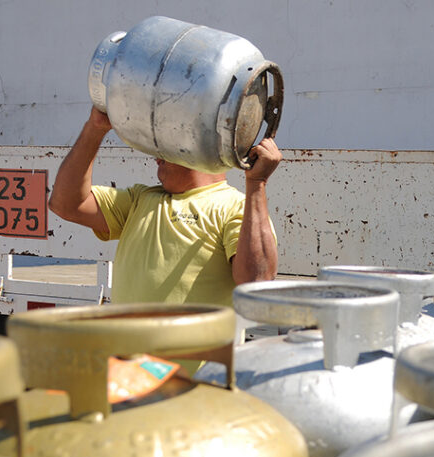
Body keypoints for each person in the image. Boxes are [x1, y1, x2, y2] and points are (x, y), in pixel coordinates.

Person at [48, 107, 281, 307]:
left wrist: (256, 183)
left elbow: (256, 283)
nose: (156, 156)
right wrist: (95, 128)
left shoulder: (236, 207)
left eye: (167, 146)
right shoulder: (139, 200)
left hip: (200, 361)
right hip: (131, 361)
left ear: (198, 149)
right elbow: (65, 204)